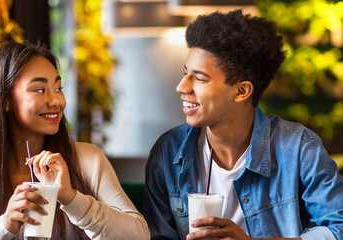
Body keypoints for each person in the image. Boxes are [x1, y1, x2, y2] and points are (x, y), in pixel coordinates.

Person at [143, 10, 343, 240]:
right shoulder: (168, 151)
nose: (181, 87)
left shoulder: (298, 149)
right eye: (186, 73)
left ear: (241, 91)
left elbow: (339, 228)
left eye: (199, 78)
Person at [0, 42, 149, 240]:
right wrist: (3, 226)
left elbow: (140, 234)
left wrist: (71, 198)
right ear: (4, 99)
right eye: (39, 90)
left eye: (58, 88)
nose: (56, 100)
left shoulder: (88, 159)